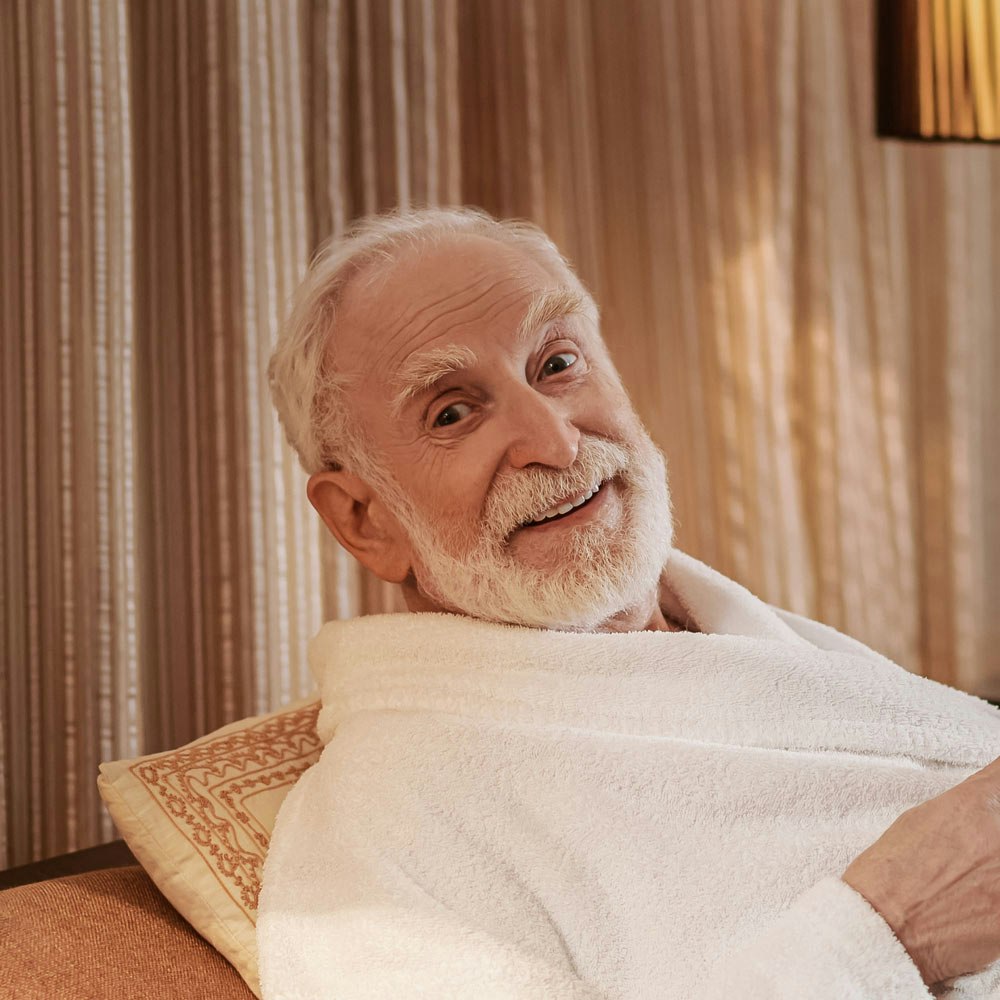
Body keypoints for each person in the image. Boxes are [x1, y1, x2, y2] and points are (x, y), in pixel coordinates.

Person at [259, 206, 1000, 999]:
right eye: (453, 412)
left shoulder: (757, 649)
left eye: (557, 363)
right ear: (363, 520)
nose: (557, 440)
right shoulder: (373, 840)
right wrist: (892, 929)